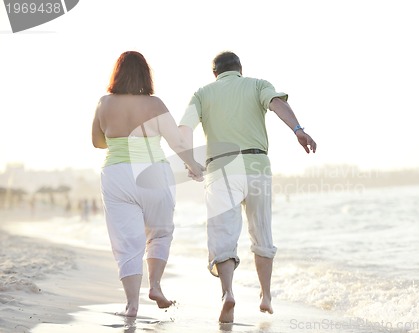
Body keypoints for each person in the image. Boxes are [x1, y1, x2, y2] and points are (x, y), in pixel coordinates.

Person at [178, 51, 317, 323]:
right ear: (240, 69)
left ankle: (228, 293)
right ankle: (265, 296)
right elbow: (277, 104)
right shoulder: (257, 85)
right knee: (262, 233)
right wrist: (298, 129)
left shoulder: (203, 93)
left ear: (215, 73)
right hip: (257, 167)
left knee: (223, 236)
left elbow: (185, 128)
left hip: (220, 170)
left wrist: (189, 161)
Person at [92, 51, 204, 317]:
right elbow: (176, 141)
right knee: (160, 232)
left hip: (117, 174)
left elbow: (97, 142)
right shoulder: (154, 104)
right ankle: (155, 286)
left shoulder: (104, 103)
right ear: (146, 74)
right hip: (153, 174)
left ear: (116, 74)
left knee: (127, 242)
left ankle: (132, 305)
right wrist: (193, 166)